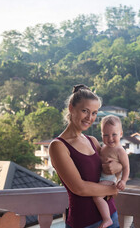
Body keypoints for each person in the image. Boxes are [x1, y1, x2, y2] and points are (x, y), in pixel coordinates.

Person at [49, 84, 122, 228]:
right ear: (71, 108)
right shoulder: (58, 146)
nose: (90, 118)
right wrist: (113, 189)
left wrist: (118, 166)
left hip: (111, 216)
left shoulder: (92, 141)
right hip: (84, 223)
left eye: (94, 113)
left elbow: (112, 166)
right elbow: (79, 188)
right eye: (85, 111)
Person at [92, 115, 130, 228]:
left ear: (121, 134)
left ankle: (107, 218)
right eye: (106, 135)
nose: (110, 138)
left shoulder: (120, 150)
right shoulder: (103, 147)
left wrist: (123, 181)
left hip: (110, 180)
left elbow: (126, 167)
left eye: (114, 134)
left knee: (96, 196)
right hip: (102, 178)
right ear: (101, 135)